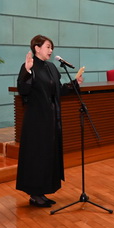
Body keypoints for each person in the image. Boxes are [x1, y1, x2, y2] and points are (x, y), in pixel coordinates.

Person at [16, 35, 83, 207]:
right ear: (37, 48)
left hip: (51, 120)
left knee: (48, 156)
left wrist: (74, 83)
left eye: (52, 47)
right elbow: (23, 90)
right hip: (36, 122)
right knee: (37, 156)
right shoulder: (29, 66)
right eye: (48, 47)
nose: (51, 50)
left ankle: (43, 191)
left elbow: (58, 90)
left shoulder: (51, 67)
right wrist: (27, 72)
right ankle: (34, 194)